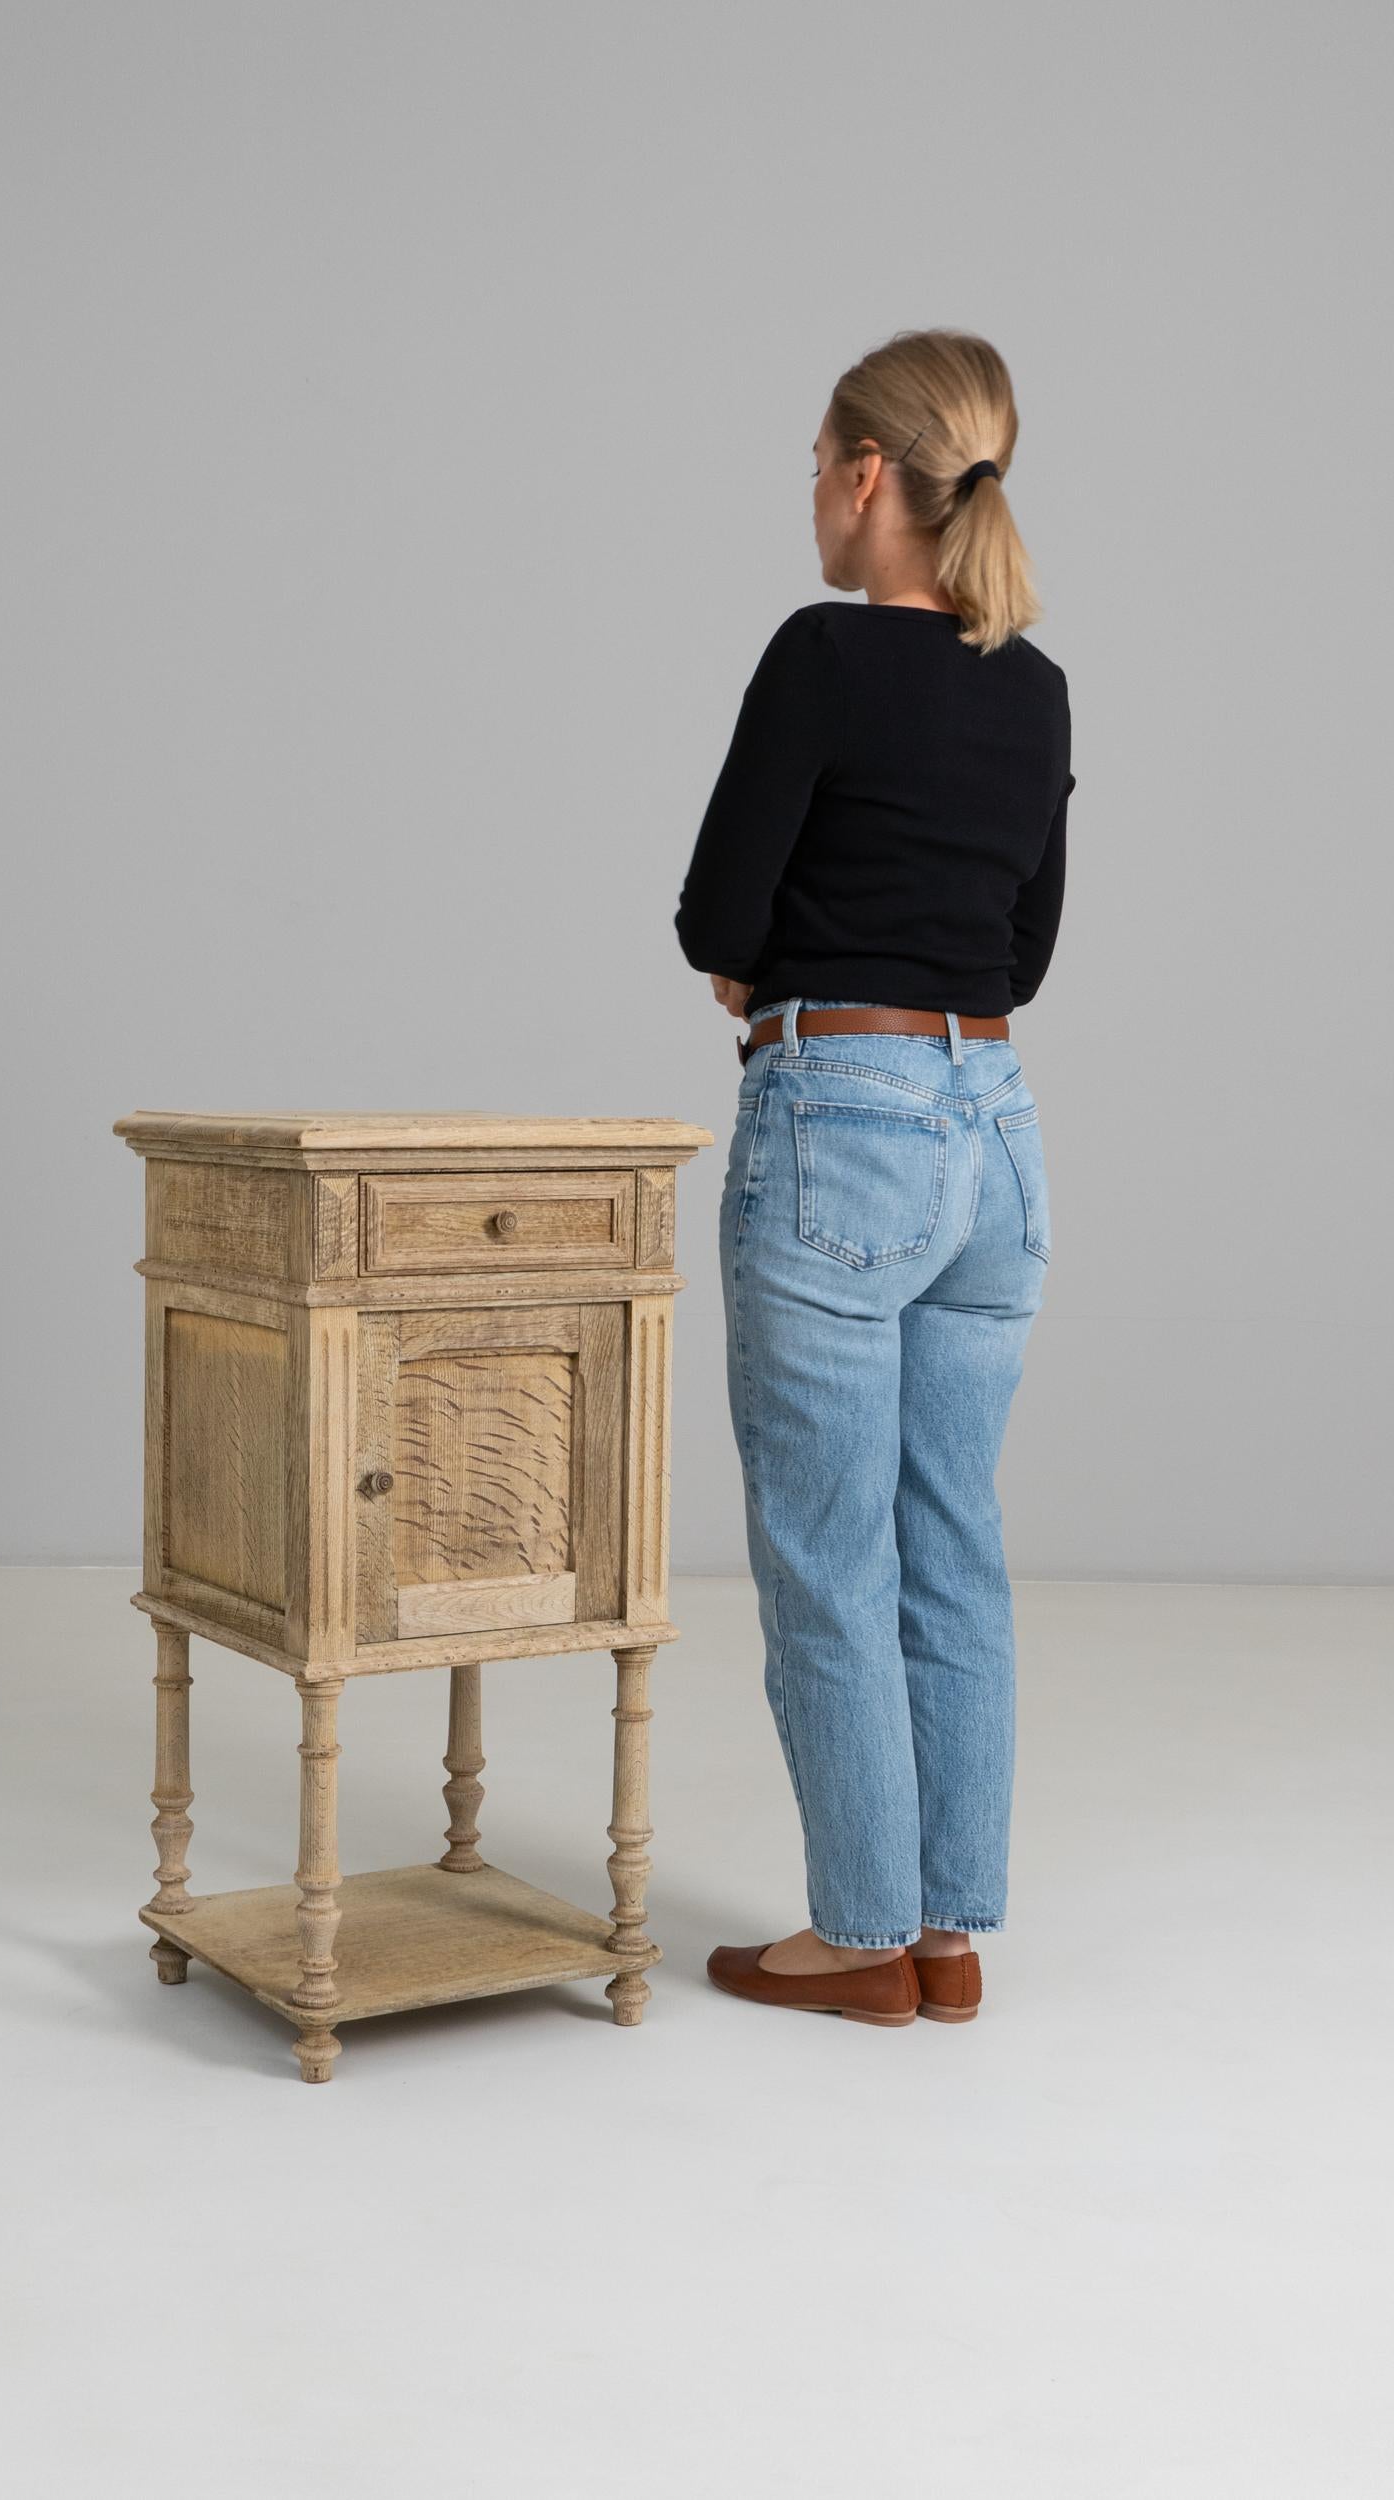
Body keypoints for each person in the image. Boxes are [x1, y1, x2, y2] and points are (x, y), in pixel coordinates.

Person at [673, 327, 1071, 2028]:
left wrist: (776, 973)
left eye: (812, 468)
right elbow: (1026, 951)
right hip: (994, 1132)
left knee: (829, 1552)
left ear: (860, 476)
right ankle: (950, 1930)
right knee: (949, 1543)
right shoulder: (1035, 684)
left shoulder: (822, 654)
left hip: (840, 1119)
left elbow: (715, 915)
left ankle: (858, 1939)